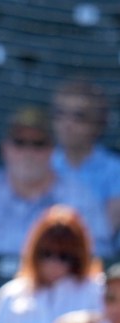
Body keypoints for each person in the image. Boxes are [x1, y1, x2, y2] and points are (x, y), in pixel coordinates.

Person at [0, 105, 113, 258]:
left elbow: (98, 256)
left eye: (38, 144)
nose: (28, 153)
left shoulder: (78, 196)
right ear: (5, 148)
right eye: (19, 143)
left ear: (52, 150)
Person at [0, 205, 104, 323]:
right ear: (34, 253)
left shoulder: (97, 292)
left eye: (64, 256)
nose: (54, 263)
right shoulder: (11, 294)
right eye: (46, 253)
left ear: (78, 256)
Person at [51, 77, 120, 240]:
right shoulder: (43, 164)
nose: (67, 124)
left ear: (97, 124)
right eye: (60, 114)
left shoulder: (115, 171)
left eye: (78, 117)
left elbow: (108, 229)